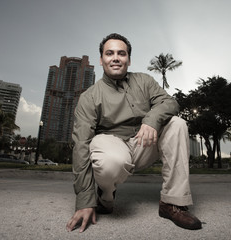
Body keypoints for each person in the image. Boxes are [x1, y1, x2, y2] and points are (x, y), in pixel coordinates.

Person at [66, 33, 202, 233]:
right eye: (109, 53)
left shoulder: (144, 81)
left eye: (121, 53)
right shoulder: (89, 97)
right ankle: (104, 195)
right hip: (111, 146)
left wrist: (151, 121)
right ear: (101, 59)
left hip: (143, 143)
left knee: (177, 124)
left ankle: (172, 203)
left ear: (128, 60)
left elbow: (170, 103)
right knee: (110, 161)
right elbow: (81, 146)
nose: (115, 58)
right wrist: (84, 201)